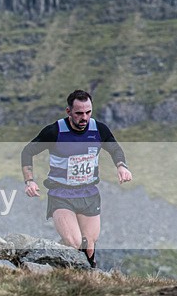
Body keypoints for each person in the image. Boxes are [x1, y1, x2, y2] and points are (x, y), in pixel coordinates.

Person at [21, 90, 132, 268]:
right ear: (69, 112)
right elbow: (28, 151)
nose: (84, 118)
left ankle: (85, 280)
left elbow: (115, 149)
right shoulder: (54, 131)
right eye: (79, 113)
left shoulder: (99, 129)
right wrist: (29, 181)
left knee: (89, 245)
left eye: (88, 112)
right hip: (61, 194)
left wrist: (121, 166)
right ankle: (55, 262)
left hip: (89, 193)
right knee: (74, 242)